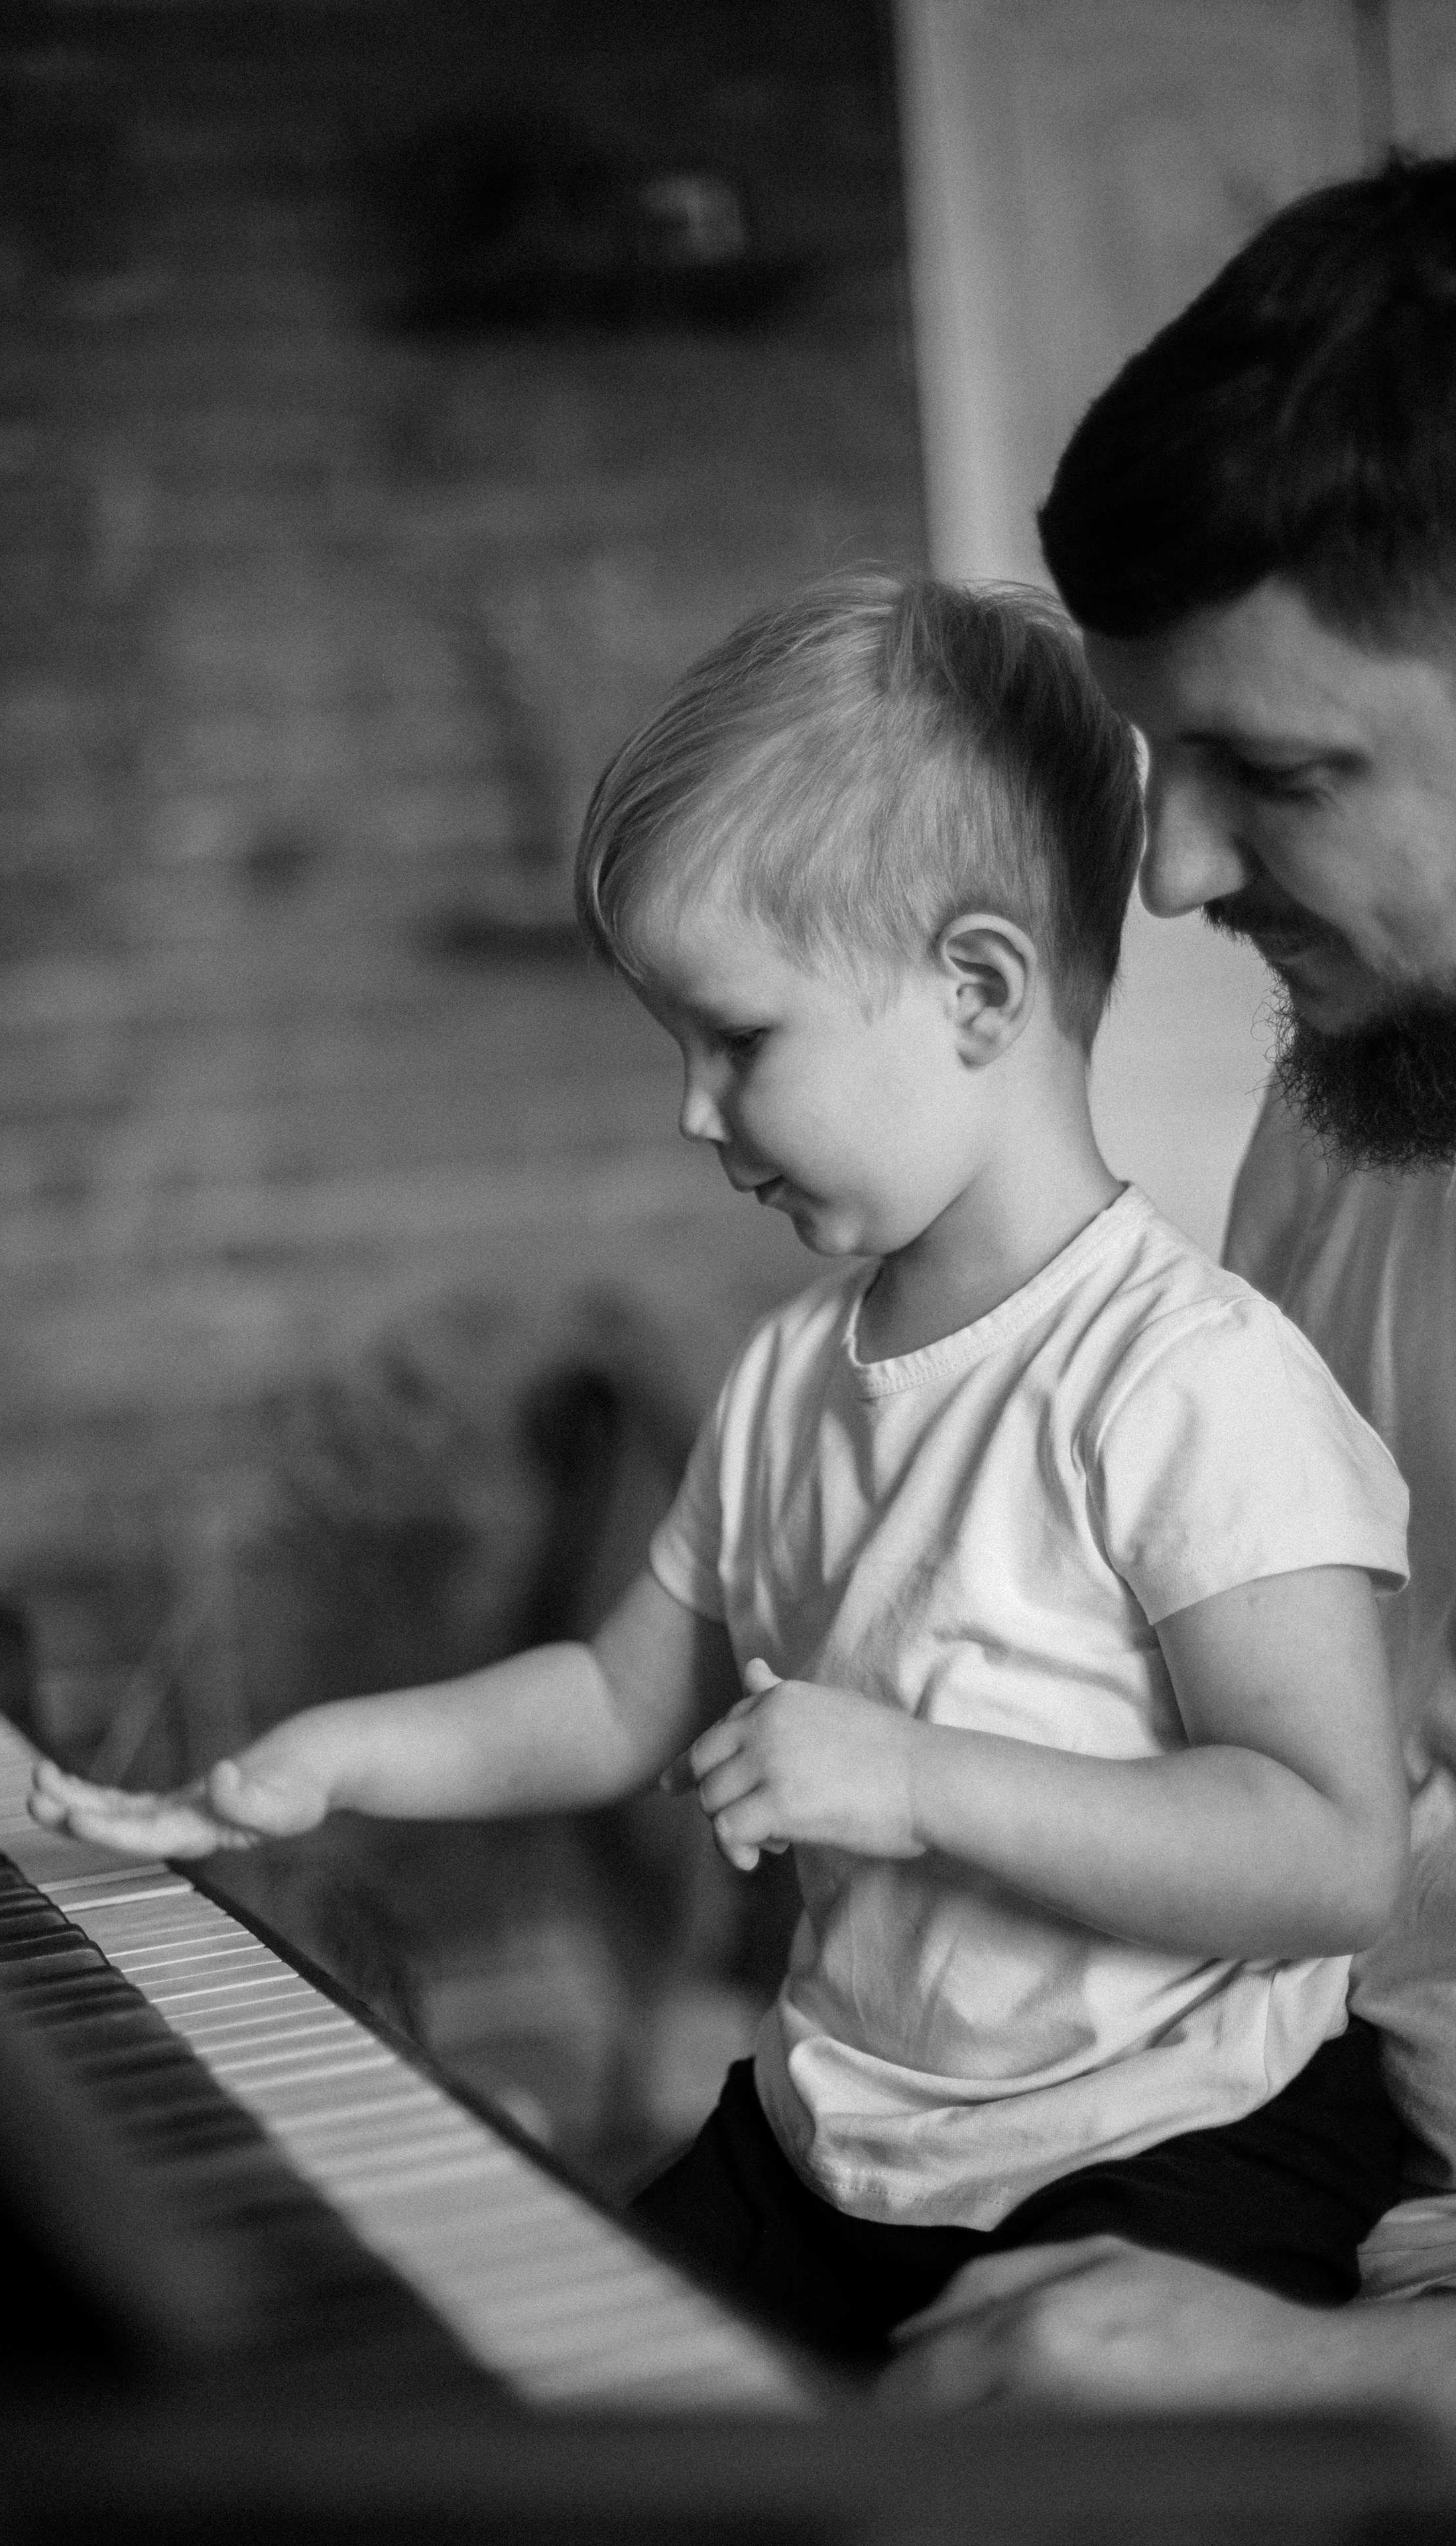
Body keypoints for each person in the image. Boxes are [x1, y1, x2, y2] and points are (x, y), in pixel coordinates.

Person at [32, 574, 1412, 2374]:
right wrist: (332, 1759)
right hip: (846, 2135)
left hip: (1176, 2148)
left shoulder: (1189, 1380)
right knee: (559, 2396)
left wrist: (916, 1779)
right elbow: (616, 1700)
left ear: (979, 990)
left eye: (739, 1041)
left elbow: (1327, 1855)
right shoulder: (791, 1377)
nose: (691, 1112)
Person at [882, 152, 1456, 2415]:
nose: (1181, 867)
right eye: (1158, 758)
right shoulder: (1370, 1099)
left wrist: (1353, 2390)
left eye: (1279, 771)